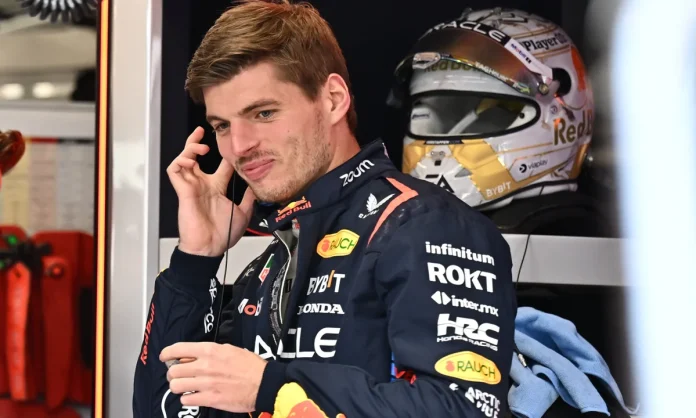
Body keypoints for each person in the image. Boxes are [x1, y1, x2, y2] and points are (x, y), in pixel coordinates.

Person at [133, 1, 516, 417]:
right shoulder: (276, 252)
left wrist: (273, 389)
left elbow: (463, 409)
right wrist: (196, 261)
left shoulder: (423, 225)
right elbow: (165, 410)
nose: (239, 146)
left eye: (263, 113)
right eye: (222, 125)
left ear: (333, 99)